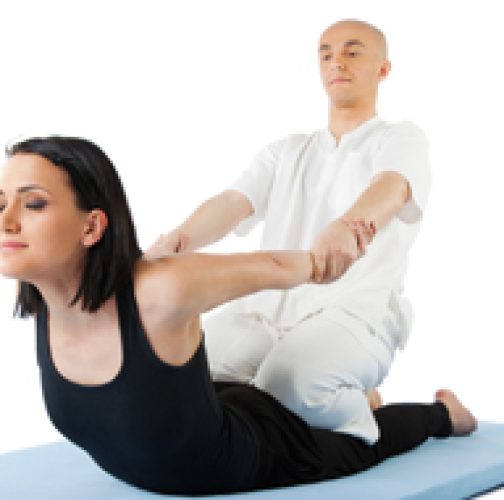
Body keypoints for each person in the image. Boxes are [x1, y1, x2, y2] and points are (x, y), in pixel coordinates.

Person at [0, 136, 476, 495]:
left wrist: (324, 259)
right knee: (253, 383)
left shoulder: (160, 291)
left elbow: (272, 267)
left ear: (92, 226)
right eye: (1, 202)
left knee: (356, 450)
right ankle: (350, 401)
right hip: (214, 407)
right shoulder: (45, 299)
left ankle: (442, 415)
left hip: (244, 453)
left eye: (33, 203)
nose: (6, 220)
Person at [147, 19, 430, 444]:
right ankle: (326, 393)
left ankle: (370, 410)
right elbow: (232, 203)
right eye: (326, 54)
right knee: (184, 379)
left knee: (288, 387)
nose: (337, 62)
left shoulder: (400, 138)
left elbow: (391, 187)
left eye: (353, 52)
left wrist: (347, 226)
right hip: (266, 312)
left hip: (354, 311)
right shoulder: (287, 150)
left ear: (383, 69)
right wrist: (176, 241)